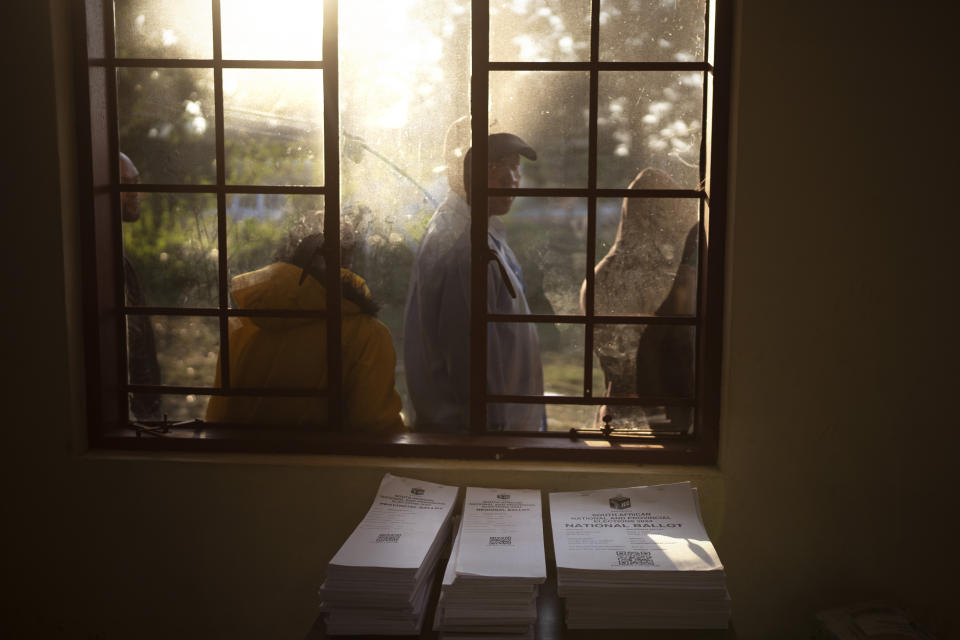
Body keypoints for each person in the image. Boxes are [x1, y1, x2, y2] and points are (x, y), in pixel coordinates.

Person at [403, 132, 545, 432]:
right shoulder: (465, 248)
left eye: (517, 168)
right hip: (481, 435)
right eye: (505, 167)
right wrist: (490, 435)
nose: (514, 178)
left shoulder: (480, 231)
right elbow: (467, 355)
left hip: (501, 430)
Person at [204, 219, 404, 432]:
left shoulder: (244, 324)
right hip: (320, 463)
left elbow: (218, 415)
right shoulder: (368, 335)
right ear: (349, 265)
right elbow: (376, 428)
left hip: (235, 462)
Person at [119, 152, 162, 421]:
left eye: (137, 182)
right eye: (126, 184)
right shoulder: (106, 262)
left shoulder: (120, 260)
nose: (137, 193)